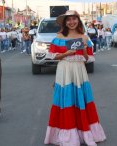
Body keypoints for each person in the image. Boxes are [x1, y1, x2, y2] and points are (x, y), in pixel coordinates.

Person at [44, 10, 106, 146]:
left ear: (78, 20)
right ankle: (68, 134)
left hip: (79, 70)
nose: (72, 22)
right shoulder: (59, 37)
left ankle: (83, 132)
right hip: (64, 69)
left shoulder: (84, 38)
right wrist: (66, 53)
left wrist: (83, 50)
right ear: (65, 22)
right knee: (66, 100)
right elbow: (51, 56)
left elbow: (87, 59)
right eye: (69, 20)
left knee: (81, 100)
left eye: (74, 19)